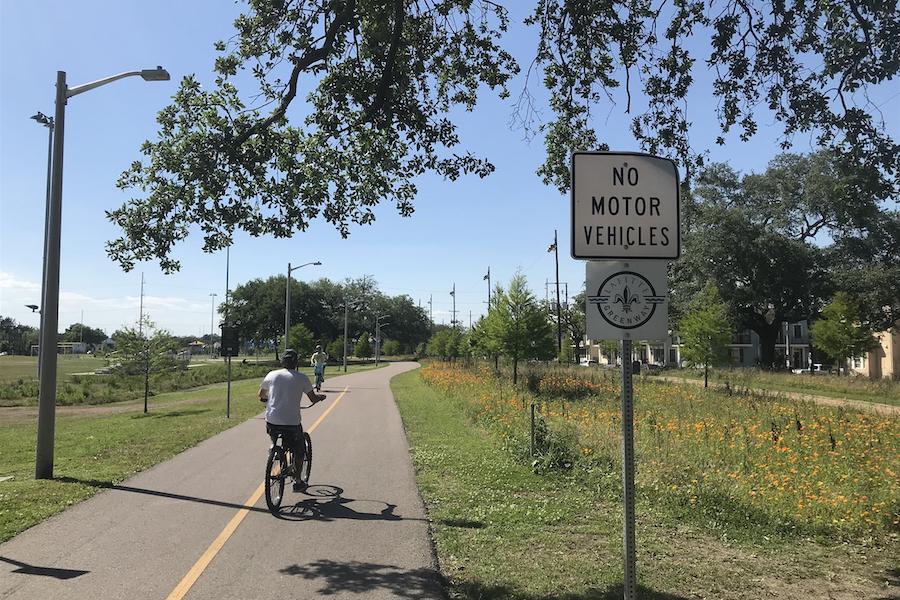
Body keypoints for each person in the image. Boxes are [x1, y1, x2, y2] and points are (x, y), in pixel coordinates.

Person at [259, 349, 324, 492]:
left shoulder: (272, 375)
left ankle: (273, 451)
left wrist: (269, 399)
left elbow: (261, 395)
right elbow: (312, 398)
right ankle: (298, 480)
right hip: (292, 423)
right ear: (296, 363)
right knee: (300, 450)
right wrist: (320, 397)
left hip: (272, 421)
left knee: (274, 438)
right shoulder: (302, 378)